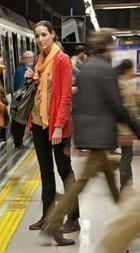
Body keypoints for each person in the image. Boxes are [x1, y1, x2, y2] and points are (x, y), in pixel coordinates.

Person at [41, 28, 140, 246]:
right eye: (112, 44)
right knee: (83, 183)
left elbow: (79, 104)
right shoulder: (104, 69)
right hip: (99, 136)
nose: (114, 48)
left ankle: (129, 225)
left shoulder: (86, 68)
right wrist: (136, 128)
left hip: (91, 134)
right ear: (107, 45)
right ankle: (53, 221)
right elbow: (117, 106)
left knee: (112, 184)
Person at [25, 20, 81, 243]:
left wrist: (58, 126)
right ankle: (47, 217)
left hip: (58, 127)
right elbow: (39, 93)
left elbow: (65, 97)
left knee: (65, 171)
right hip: (39, 123)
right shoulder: (40, 60)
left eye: (44, 35)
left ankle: (73, 217)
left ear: (53, 35)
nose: (40, 40)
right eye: (37, 36)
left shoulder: (62, 60)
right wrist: (31, 79)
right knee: (46, 173)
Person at [115, 59, 140, 191]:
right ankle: (125, 186)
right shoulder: (122, 85)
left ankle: (127, 185)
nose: (133, 72)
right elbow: (124, 109)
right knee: (126, 157)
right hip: (124, 129)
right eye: (132, 69)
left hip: (126, 128)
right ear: (127, 70)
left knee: (127, 156)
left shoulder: (124, 83)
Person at [12, 50, 35, 148]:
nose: (31, 59)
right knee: (19, 122)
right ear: (24, 59)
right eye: (29, 58)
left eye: (32, 57)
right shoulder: (20, 70)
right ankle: (18, 142)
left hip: (28, 100)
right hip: (22, 100)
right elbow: (19, 86)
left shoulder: (31, 68)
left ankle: (20, 141)